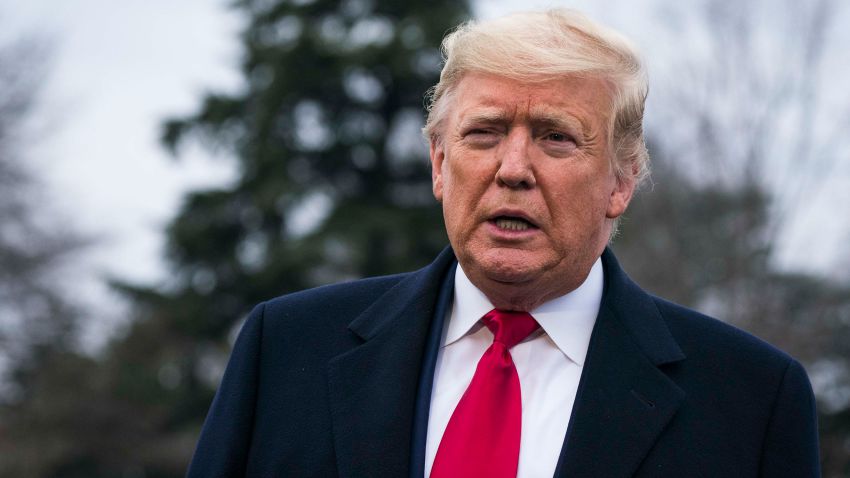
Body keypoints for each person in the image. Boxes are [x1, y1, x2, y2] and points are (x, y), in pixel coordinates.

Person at [186, 9, 820, 478]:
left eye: (556, 138)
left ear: (621, 182)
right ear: (439, 163)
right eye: (484, 132)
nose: (512, 167)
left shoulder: (752, 400)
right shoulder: (285, 349)